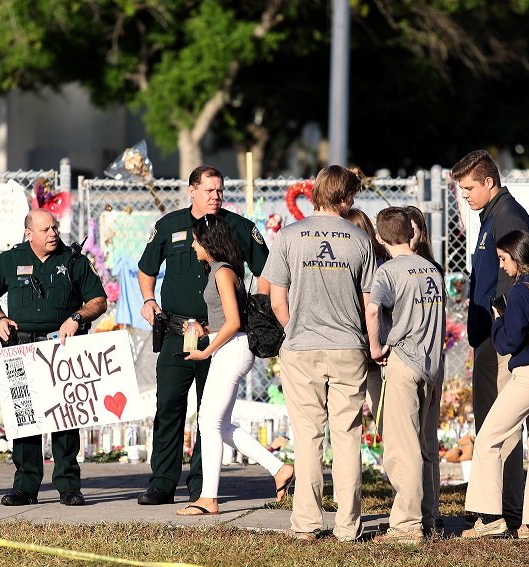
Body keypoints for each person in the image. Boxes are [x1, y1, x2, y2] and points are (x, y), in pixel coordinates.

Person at [137, 165, 270, 505]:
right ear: (192, 190)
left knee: (208, 412)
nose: (216, 196)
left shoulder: (238, 227)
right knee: (168, 405)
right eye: (209, 190)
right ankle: (162, 482)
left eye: (220, 191)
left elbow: (268, 271)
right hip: (177, 330)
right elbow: (146, 269)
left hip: (220, 334)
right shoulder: (169, 225)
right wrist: (149, 300)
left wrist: (257, 308)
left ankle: (200, 483)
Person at [263, 165, 376, 542]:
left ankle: (308, 523)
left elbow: (276, 299)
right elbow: (368, 302)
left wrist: (294, 327)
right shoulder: (359, 240)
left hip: (301, 347)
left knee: (308, 436)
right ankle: (348, 526)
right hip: (348, 346)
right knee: (347, 436)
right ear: (344, 197)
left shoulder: (289, 237)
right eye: (352, 196)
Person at [0, 208, 107, 506]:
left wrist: (77, 317)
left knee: (65, 420)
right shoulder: (11, 260)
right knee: (25, 420)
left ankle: (68, 486)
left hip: (60, 347)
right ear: (29, 233)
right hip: (20, 345)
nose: (53, 234)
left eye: (55, 228)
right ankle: (25, 486)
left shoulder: (73, 260)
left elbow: (99, 300)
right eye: (45, 229)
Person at [175, 214, 294, 516]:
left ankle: (209, 498)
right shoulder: (221, 270)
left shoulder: (222, 272)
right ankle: (279, 469)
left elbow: (234, 322)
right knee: (221, 425)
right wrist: (205, 330)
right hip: (229, 347)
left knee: (208, 422)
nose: (192, 244)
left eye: (195, 239)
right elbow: (225, 319)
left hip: (232, 349)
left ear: (207, 241)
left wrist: (205, 351)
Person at [451, 150, 529, 530]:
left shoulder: (508, 216)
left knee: (499, 428)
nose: (465, 195)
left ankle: (503, 511)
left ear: (489, 182)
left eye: (469, 187)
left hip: (501, 341)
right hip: (487, 338)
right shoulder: (489, 215)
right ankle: (500, 506)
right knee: (490, 423)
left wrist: (502, 337)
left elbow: (515, 281)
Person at [463, 230, 529, 541]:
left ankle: (490, 516)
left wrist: (497, 319)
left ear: (518, 259)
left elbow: (509, 341)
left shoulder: (520, 291)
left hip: (528, 375)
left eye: (504, 259)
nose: (502, 266)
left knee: (488, 438)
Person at [366, 207, 445, 544]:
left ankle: (406, 525)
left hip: (403, 361)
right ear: (409, 233)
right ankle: (429, 515)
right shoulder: (432, 269)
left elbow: (372, 309)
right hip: (432, 364)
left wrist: (375, 346)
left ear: (382, 237)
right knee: (425, 445)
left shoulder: (388, 272)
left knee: (403, 447)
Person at [403, 205, 445, 533]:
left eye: (413, 228)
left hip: (429, 364)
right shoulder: (390, 269)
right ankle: (410, 508)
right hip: (404, 364)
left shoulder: (432, 271)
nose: (409, 234)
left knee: (426, 442)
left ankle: (429, 514)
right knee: (405, 443)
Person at [343, 208, 389, 421]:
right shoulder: (383, 260)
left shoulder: (377, 264)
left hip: (364, 342)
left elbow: (371, 307)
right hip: (378, 342)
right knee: (382, 411)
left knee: (356, 411)